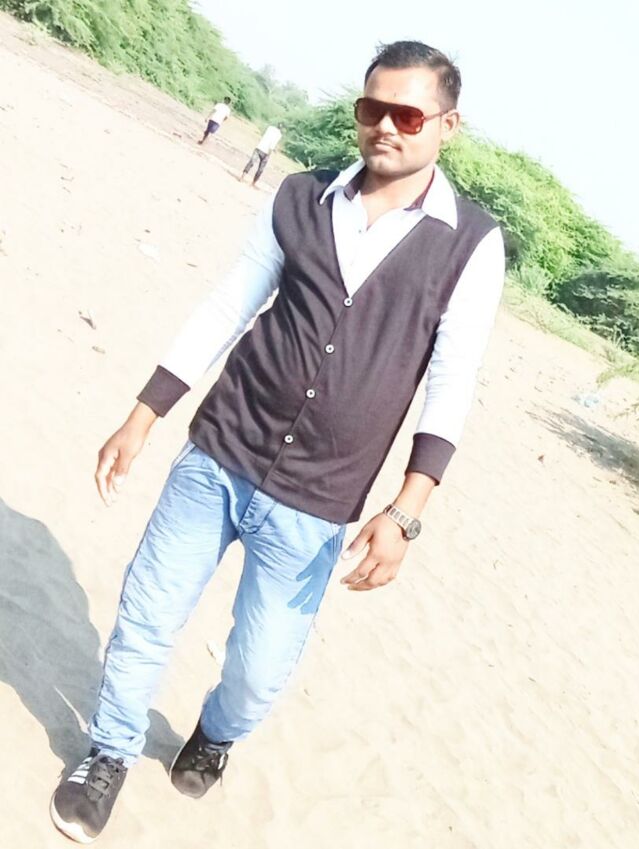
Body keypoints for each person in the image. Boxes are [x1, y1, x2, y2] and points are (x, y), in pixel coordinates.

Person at [50, 40, 505, 843]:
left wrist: (406, 512)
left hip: (319, 499)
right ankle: (109, 751)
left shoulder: (469, 243)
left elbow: (451, 380)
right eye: (372, 109)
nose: (385, 127)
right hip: (219, 451)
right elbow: (230, 304)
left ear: (447, 124)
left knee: (259, 669)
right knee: (148, 612)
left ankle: (217, 733)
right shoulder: (300, 197)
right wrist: (145, 412)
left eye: (407, 115)